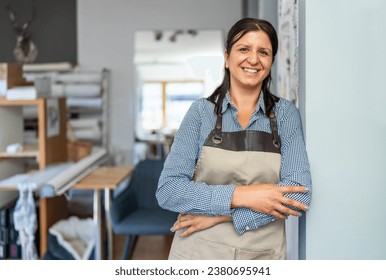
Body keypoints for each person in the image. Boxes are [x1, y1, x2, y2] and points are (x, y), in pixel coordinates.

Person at [156, 18, 312, 260]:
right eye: (244, 49)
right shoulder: (200, 113)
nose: (253, 59)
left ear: (271, 62)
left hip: (262, 255)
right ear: (227, 58)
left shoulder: (285, 115)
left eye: (263, 52)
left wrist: (224, 214)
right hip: (197, 252)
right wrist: (244, 196)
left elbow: (299, 195)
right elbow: (169, 190)